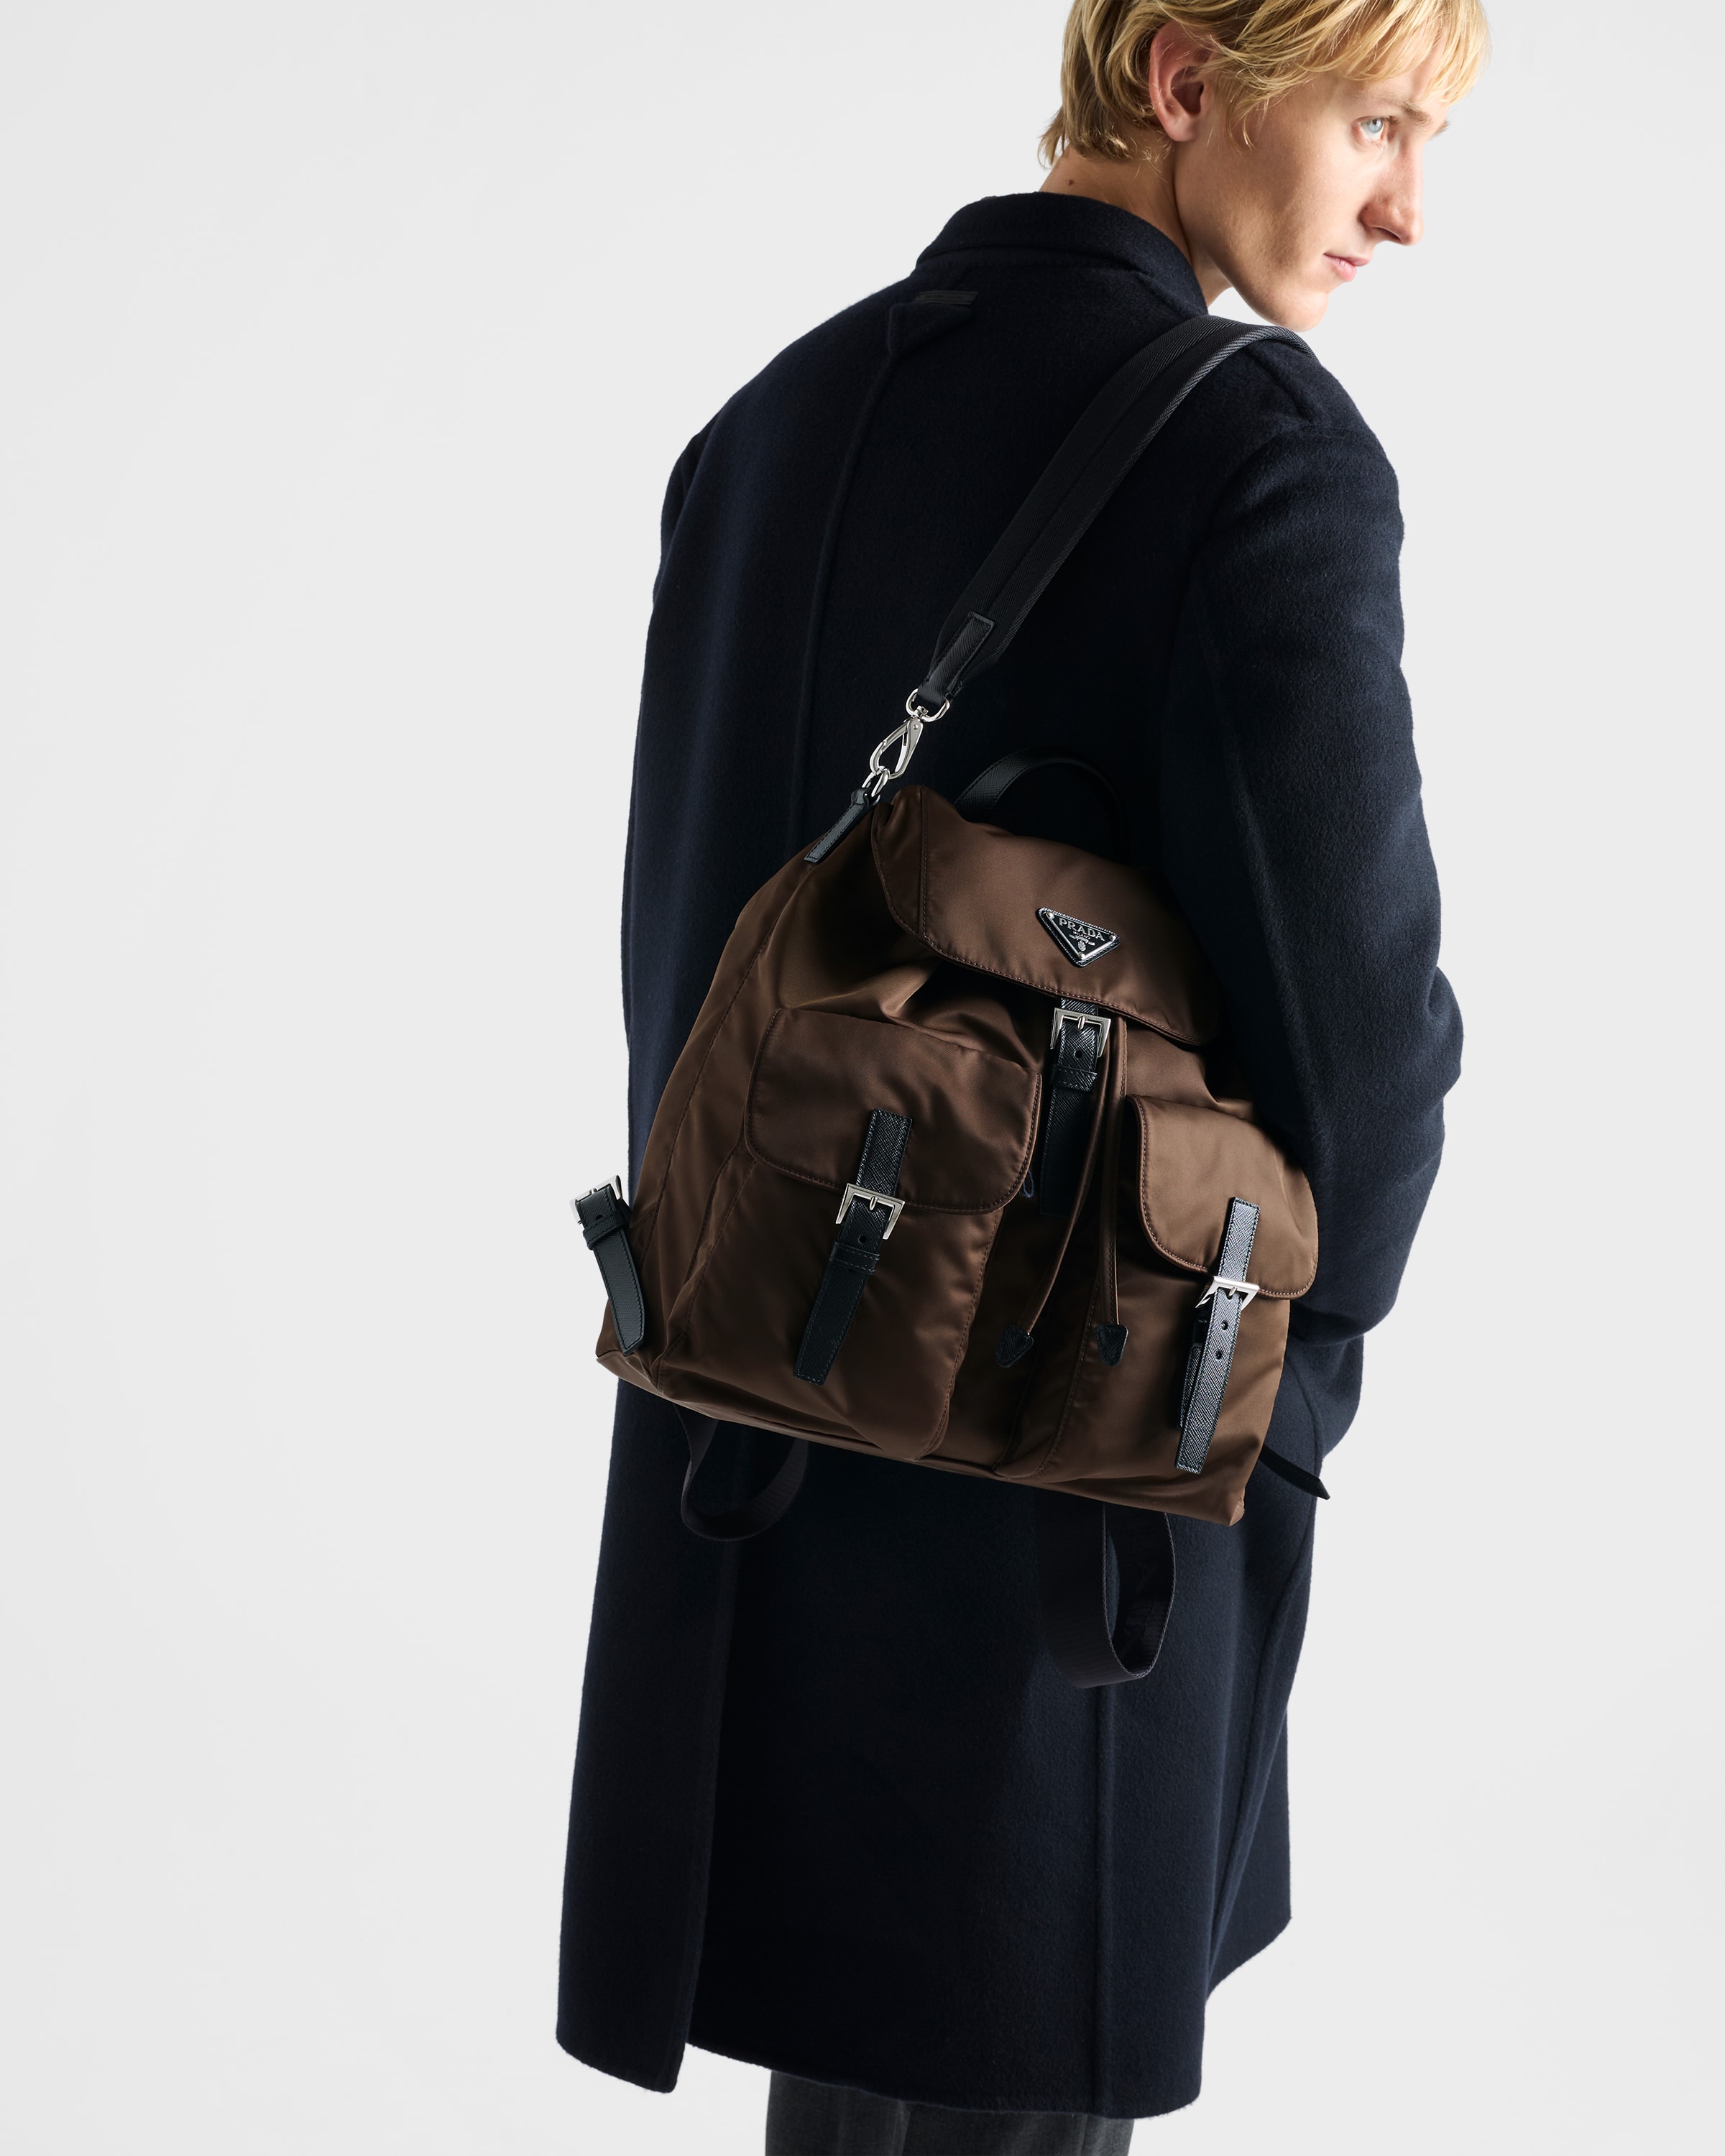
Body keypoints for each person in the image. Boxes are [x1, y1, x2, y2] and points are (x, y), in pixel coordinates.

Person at [558, 1, 1486, 2147]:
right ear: (1185, 80)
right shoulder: (1255, 447)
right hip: (1075, 1480)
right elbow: (1359, 1042)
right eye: (1376, 124)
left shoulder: (772, 421)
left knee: (854, 2100)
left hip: (748, 1432)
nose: (1409, 211)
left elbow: (690, 942)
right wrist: (1298, 1375)